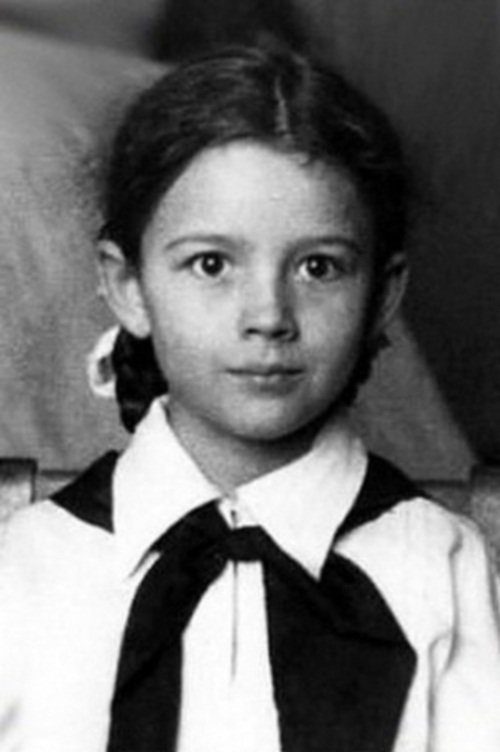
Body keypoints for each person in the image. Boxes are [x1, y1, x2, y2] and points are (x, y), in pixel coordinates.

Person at [1, 45, 499, 752]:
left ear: (383, 294)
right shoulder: (26, 566)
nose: (268, 315)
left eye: (318, 267)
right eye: (211, 264)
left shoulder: (441, 564)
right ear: (128, 286)